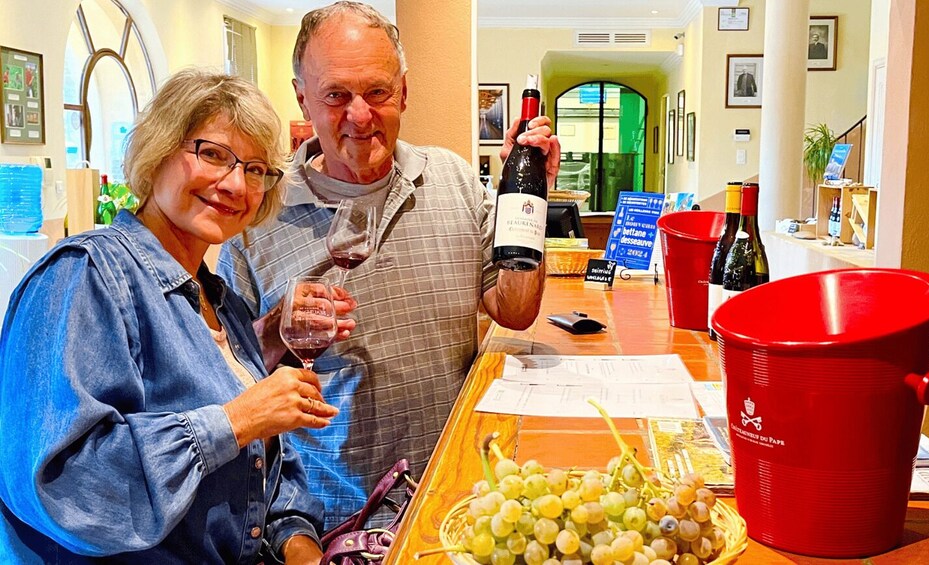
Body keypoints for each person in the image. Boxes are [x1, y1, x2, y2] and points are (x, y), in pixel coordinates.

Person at [217, 0, 560, 529]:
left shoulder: (454, 180)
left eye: (376, 92)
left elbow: (513, 311)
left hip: (460, 498)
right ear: (303, 98)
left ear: (404, 91)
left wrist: (528, 198)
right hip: (334, 525)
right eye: (335, 95)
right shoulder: (254, 218)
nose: (359, 115)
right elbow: (225, 389)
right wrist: (276, 330)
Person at [0, 69, 353, 563]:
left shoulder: (223, 304)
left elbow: (266, 473)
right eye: (212, 154)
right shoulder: (86, 274)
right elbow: (64, 487)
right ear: (159, 149)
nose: (235, 184)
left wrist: (299, 547)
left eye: (255, 169)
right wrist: (236, 419)